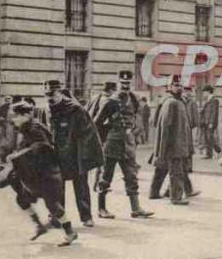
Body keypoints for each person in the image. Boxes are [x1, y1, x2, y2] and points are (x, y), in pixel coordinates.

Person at [0, 100, 78, 247]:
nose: (13, 119)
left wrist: (17, 155)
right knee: (22, 199)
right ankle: (39, 226)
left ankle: (70, 232)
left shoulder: (34, 128)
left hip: (46, 174)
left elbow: (42, 146)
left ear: (27, 115)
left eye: (17, 116)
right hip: (33, 175)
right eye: (13, 116)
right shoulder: (25, 128)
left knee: (53, 205)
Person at [94, 75, 154, 219]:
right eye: (123, 84)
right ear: (118, 84)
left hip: (128, 143)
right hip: (112, 143)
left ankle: (136, 208)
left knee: (131, 176)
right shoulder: (110, 101)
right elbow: (97, 122)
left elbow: (136, 117)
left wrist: (134, 133)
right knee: (106, 176)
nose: (126, 87)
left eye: (128, 84)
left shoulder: (133, 99)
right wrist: (104, 139)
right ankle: (101, 209)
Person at [45, 79, 104, 227]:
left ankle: (86, 217)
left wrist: (84, 155)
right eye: (46, 95)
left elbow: (89, 133)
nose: (49, 98)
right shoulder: (47, 109)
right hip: (56, 154)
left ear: (60, 92)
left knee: (81, 187)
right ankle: (57, 217)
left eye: (52, 94)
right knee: (56, 188)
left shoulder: (75, 109)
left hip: (75, 155)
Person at [149, 75, 191, 205]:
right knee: (176, 172)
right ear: (169, 87)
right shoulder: (171, 102)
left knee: (161, 169)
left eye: (180, 85)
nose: (179, 88)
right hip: (173, 144)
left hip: (178, 143)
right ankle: (176, 197)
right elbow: (165, 126)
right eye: (176, 85)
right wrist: (163, 148)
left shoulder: (179, 101)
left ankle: (154, 193)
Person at [199, 85, 220, 159]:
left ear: (208, 91)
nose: (203, 94)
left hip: (210, 122)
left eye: (204, 92)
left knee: (209, 137)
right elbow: (205, 111)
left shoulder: (214, 100)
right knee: (207, 138)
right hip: (205, 122)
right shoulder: (208, 100)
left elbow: (214, 112)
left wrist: (211, 122)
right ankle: (209, 153)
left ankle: (217, 150)